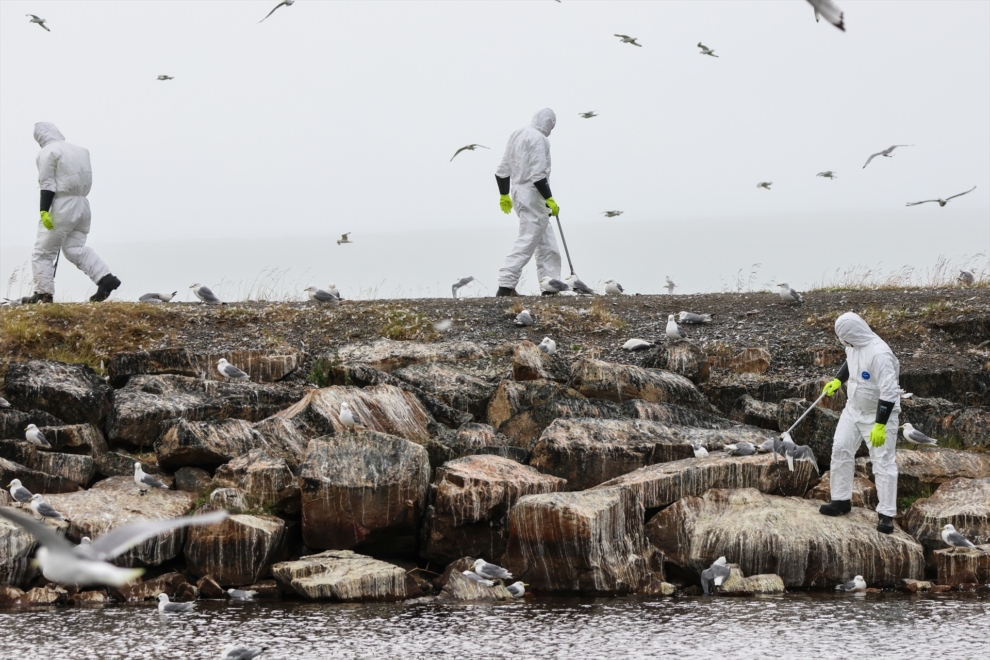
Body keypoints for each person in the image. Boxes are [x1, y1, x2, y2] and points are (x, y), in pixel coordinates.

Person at [818, 312, 900, 534]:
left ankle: (886, 514)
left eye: (844, 337)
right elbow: (849, 361)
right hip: (853, 409)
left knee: (883, 462)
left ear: (853, 332)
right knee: (840, 448)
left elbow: (890, 391)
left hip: (879, 414)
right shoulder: (853, 344)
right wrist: (837, 380)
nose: (843, 342)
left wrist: (881, 424)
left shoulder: (879, 354)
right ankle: (841, 500)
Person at [23, 122, 120, 304]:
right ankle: (106, 278)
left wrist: (44, 210)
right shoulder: (80, 151)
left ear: (40, 138)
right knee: (75, 248)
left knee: (42, 252)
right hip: (83, 204)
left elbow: (48, 184)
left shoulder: (48, 152)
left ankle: (43, 294)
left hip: (62, 205)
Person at [493, 108, 562, 297]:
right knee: (528, 239)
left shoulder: (518, 134)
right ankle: (505, 286)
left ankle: (551, 286)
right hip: (533, 194)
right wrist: (549, 198)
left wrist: (504, 194)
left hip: (519, 192)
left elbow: (502, 169)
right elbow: (538, 176)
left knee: (547, 244)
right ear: (549, 123)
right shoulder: (540, 139)